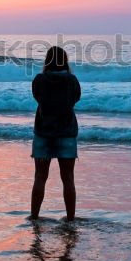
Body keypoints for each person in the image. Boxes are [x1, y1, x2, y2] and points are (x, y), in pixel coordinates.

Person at [30, 46, 81, 221]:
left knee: (40, 177)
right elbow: (76, 98)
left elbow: (37, 97)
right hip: (66, 132)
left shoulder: (39, 80)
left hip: (43, 132)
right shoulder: (72, 80)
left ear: (47, 60)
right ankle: (70, 218)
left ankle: (34, 217)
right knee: (68, 178)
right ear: (65, 60)